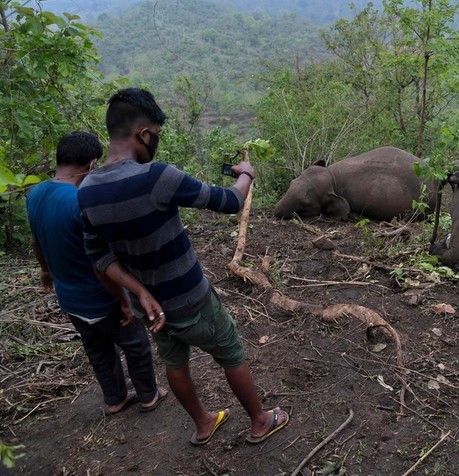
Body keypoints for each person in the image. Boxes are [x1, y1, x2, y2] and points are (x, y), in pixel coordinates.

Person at [78, 87, 289, 446]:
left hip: (152, 307)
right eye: (155, 136)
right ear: (143, 134)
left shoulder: (86, 190)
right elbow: (229, 201)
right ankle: (259, 420)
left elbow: (99, 257)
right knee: (230, 351)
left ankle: (204, 423)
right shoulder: (157, 177)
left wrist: (140, 293)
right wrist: (246, 174)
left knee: (175, 361)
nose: (154, 143)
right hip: (192, 298)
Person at [26, 131, 168, 415]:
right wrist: (125, 302)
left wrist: (45, 271)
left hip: (70, 299)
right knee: (135, 343)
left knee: (98, 350)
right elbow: (99, 261)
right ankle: (149, 395)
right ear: (92, 164)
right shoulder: (80, 201)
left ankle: (115, 399)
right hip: (100, 297)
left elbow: (36, 241)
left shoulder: (35, 194)